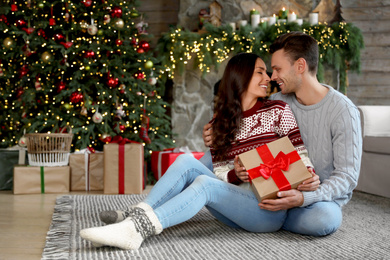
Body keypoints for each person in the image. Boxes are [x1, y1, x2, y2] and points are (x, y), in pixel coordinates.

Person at [80, 52, 319, 250]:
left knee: (204, 184)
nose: (268, 77)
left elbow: (299, 153)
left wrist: (309, 175)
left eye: (267, 72)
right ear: (242, 76)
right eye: (260, 71)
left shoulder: (278, 110)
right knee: (186, 161)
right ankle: (137, 216)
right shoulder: (221, 121)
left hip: (267, 211)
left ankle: (136, 228)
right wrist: (236, 174)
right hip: (234, 205)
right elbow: (221, 172)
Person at [204, 31, 362, 234]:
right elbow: (239, 127)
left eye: (277, 69)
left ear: (300, 66)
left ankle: (261, 216)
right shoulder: (277, 101)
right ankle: (261, 213)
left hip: (313, 196)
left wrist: (304, 198)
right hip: (270, 186)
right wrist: (213, 132)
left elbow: (347, 177)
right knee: (206, 159)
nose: (272, 77)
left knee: (325, 219)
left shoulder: (343, 111)